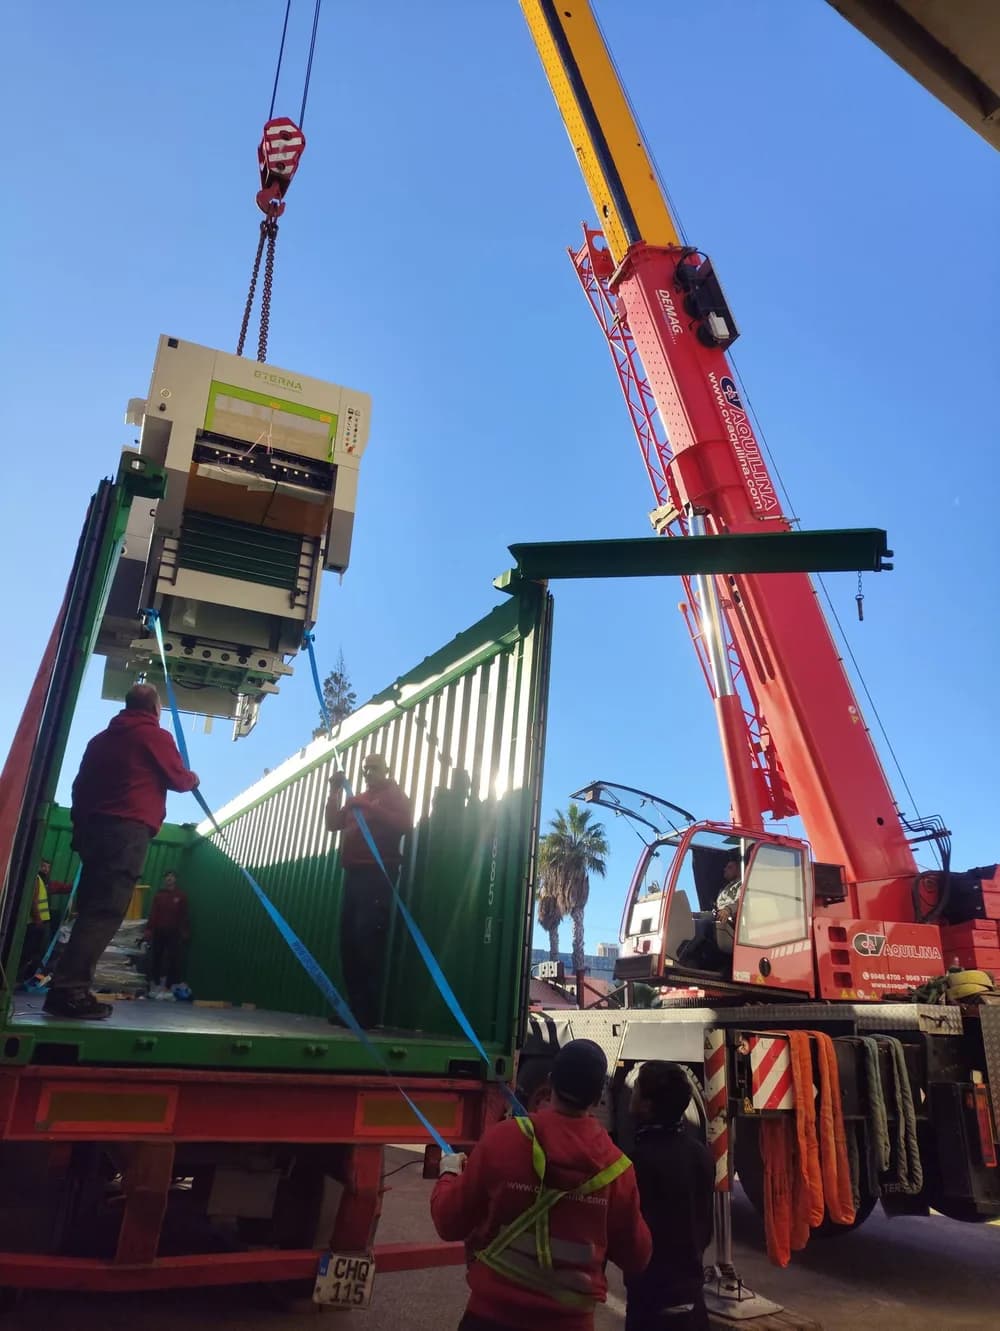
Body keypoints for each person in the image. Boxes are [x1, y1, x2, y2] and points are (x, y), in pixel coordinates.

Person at [430, 1038, 652, 1331]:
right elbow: (637, 1257)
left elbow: (449, 1222)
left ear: (550, 1083)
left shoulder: (504, 1139)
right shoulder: (617, 1170)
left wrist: (449, 1173)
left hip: (489, 1318)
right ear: (599, 1097)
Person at [43, 684, 199, 1021]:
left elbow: (78, 787)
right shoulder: (154, 735)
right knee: (105, 912)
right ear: (155, 709)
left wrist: (80, 831)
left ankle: (67, 986)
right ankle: (69, 992)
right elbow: (180, 779)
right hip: (126, 832)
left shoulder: (99, 741)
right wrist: (194, 777)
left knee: (90, 911)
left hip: (92, 832)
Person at [624, 1062, 715, 1331]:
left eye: (636, 1089)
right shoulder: (701, 1155)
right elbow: (703, 1228)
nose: (631, 1093)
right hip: (692, 1302)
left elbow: (630, 1239)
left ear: (647, 1106)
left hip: (651, 1305)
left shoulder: (637, 1162)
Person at [324, 753, 412, 1028]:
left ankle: (367, 1014)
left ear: (386, 770)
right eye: (365, 769)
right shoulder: (355, 798)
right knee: (348, 942)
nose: (369, 773)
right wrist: (335, 791)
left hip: (377, 875)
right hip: (353, 875)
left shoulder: (393, 795)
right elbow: (331, 824)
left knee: (367, 941)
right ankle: (354, 1010)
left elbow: (404, 824)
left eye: (374, 768)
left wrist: (366, 806)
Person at [145, 869, 191, 989]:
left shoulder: (181, 896)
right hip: (159, 931)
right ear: (165, 879)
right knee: (156, 957)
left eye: (172, 876)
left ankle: (170, 985)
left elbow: (184, 915)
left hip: (174, 932)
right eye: (167, 876)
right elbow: (153, 913)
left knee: (173, 959)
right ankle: (154, 983)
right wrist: (149, 930)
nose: (169, 878)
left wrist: (185, 932)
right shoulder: (159, 895)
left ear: (176, 879)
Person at [17, 860, 53, 985]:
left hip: (39, 921)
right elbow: (34, 900)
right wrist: (38, 919)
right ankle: (21, 978)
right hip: (36, 922)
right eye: (43, 866)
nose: (45, 869)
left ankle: (25, 977)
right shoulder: (36, 878)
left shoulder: (43, 880)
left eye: (48, 867)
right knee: (31, 952)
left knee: (34, 952)